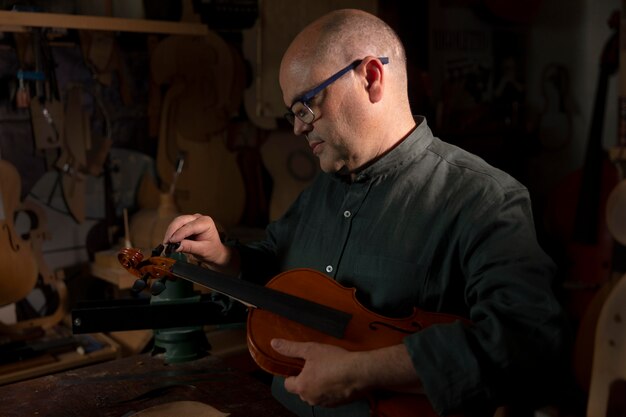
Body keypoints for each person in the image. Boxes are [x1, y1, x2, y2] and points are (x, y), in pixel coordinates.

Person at [163, 8, 569, 417]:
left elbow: (526, 342)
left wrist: (363, 371)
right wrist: (227, 258)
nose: (298, 128)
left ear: (371, 78)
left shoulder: (486, 197)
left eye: (305, 105)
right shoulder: (322, 190)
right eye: (293, 113)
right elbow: (275, 266)